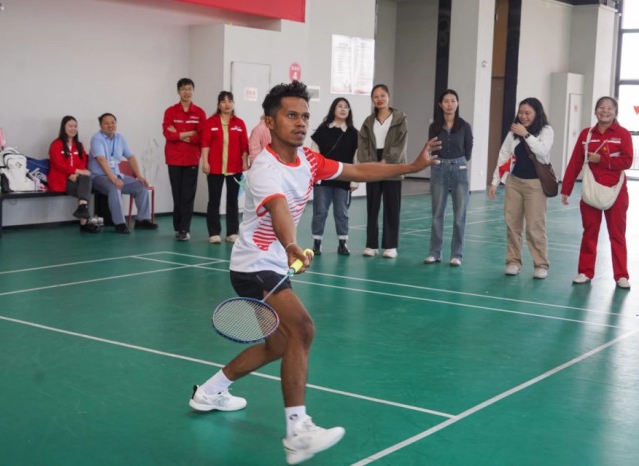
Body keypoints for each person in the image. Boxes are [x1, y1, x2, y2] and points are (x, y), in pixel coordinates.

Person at [189, 81, 440, 465]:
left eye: (305, 116)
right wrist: (291, 244)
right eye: (291, 115)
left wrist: (411, 167)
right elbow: (279, 211)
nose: (301, 123)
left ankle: (209, 391)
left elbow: (357, 169)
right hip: (254, 267)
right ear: (269, 122)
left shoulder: (308, 159)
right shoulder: (264, 168)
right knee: (303, 330)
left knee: (278, 345)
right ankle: (297, 431)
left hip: (272, 264)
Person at [561, 96, 633, 288]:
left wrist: (602, 160)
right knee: (589, 232)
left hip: (616, 192)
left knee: (617, 234)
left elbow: (627, 161)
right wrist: (566, 188)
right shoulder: (586, 134)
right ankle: (585, 271)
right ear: (595, 111)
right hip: (591, 190)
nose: (605, 111)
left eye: (609, 108)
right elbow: (575, 161)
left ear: (615, 112)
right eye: (601, 107)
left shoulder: (623, 134)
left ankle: (621, 275)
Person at [488, 98, 554, 278]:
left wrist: (526, 135)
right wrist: (495, 181)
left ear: (537, 113)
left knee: (535, 226)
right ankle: (513, 261)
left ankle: (541, 264)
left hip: (536, 185)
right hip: (514, 183)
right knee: (512, 225)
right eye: (521, 112)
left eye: (527, 113)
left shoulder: (546, 131)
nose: (523, 116)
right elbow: (504, 156)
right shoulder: (513, 132)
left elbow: (542, 151)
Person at [356, 84, 408, 258]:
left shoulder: (400, 118)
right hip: (372, 163)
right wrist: (370, 163)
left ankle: (390, 246)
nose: (379, 99)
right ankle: (371, 245)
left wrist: (387, 160)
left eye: (382, 95)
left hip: (392, 164)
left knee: (392, 206)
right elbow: (362, 144)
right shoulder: (368, 121)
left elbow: (400, 143)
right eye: (375, 96)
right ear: (372, 99)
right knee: (372, 206)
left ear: (389, 97)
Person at [424, 89, 473, 266]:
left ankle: (456, 255)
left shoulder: (464, 126)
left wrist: (460, 161)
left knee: (460, 214)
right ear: (440, 105)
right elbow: (431, 148)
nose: (450, 104)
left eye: (453, 100)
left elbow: (468, 149)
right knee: (437, 213)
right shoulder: (434, 127)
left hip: (460, 168)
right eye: (446, 101)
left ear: (457, 103)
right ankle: (435, 253)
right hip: (439, 168)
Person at [89, 113, 158, 234]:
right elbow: (101, 160)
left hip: (117, 175)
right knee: (115, 187)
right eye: (106, 123)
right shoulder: (96, 139)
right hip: (99, 177)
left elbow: (131, 157)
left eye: (113, 122)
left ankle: (142, 220)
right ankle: (120, 223)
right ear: (100, 126)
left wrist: (139, 176)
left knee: (141, 186)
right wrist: (113, 179)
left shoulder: (120, 138)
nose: (110, 125)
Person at [309, 97, 359, 256]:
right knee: (320, 211)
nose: (343, 109)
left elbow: (356, 159)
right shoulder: (322, 130)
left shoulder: (354, 134)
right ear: (333, 109)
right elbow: (314, 156)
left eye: (346, 107)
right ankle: (317, 243)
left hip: (344, 178)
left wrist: (354, 180)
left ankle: (342, 244)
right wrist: (314, 177)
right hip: (323, 179)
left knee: (341, 213)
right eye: (340, 106)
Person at [200, 91, 249, 244]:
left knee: (232, 200)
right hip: (215, 168)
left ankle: (232, 232)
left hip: (235, 167)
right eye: (223, 102)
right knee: (214, 200)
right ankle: (214, 233)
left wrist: (245, 162)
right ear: (218, 105)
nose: (227, 104)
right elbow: (205, 144)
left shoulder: (239, 123)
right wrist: (205, 162)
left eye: (230, 101)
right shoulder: (210, 122)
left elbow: (244, 146)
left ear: (233, 103)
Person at [162, 78, 207, 241]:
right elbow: (168, 134)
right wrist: (189, 133)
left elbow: (202, 136)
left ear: (193, 91)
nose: (186, 92)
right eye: (183, 89)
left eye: (189, 89)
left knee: (188, 195)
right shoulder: (170, 111)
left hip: (191, 159)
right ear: (178, 91)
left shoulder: (199, 113)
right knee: (177, 194)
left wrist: (179, 134)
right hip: (173, 159)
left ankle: (184, 229)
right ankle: (178, 226)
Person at [48, 115, 100, 233]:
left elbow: (83, 161)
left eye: (75, 126)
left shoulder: (79, 145)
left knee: (86, 181)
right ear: (64, 127)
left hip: (76, 178)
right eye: (70, 126)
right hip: (61, 179)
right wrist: (78, 171)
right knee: (85, 190)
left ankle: (82, 208)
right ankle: (84, 223)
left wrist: (77, 174)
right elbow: (59, 164)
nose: (73, 129)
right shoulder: (56, 144)